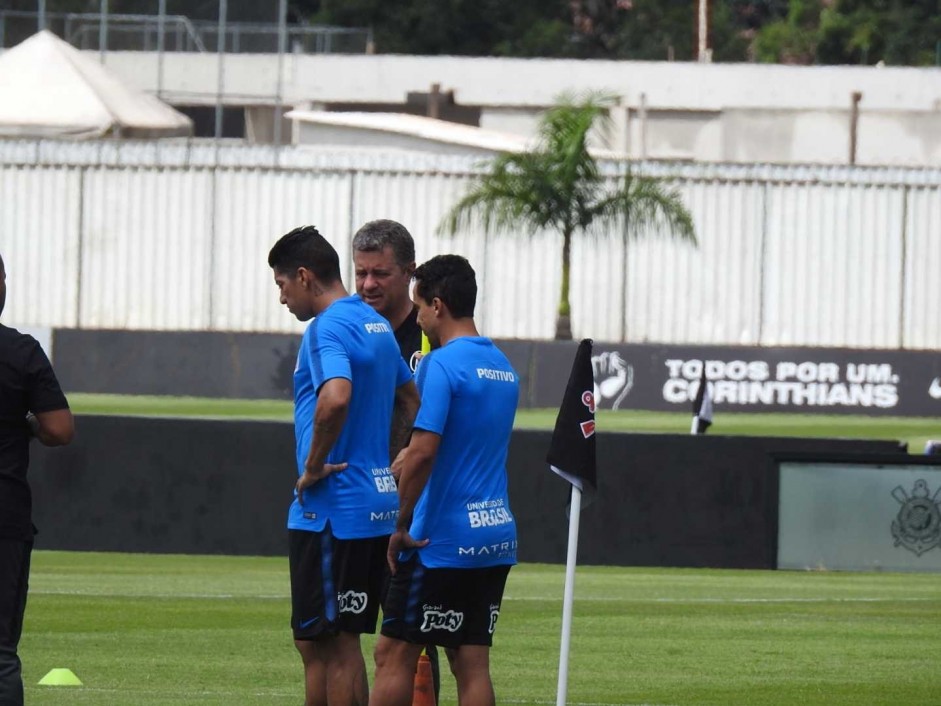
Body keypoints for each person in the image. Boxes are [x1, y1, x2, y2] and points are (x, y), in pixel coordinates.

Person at [268, 226, 419, 706]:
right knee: (317, 640)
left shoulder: (326, 327)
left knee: (335, 644)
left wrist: (313, 466)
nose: (282, 298)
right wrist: (403, 454)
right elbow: (412, 398)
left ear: (305, 277)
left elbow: (335, 398)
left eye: (282, 285)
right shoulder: (373, 324)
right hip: (372, 500)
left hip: (333, 507)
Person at [370, 255, 519, 706]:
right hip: (494, 534)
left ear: (438, 305)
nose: (417, 317)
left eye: (420, 307)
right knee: (471, 664)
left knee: (391, 652)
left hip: (441, 541)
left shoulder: (440, 365)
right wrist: (412, 454)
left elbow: (426, 451)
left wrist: (399, 525)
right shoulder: (503, 368)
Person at [351, 219, 443, 698]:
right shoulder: (346, 327)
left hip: (410, 511)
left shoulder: (432, 334)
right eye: (361, 272)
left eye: (380, 274)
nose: (368, 284)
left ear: (408, 272)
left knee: (412, 644)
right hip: (353, 507)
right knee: (343, 639)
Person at [0, 252, 75, 706]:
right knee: (1, 654)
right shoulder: (21, 351)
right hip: (4, 516)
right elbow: (60, 429)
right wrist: (27, 423)